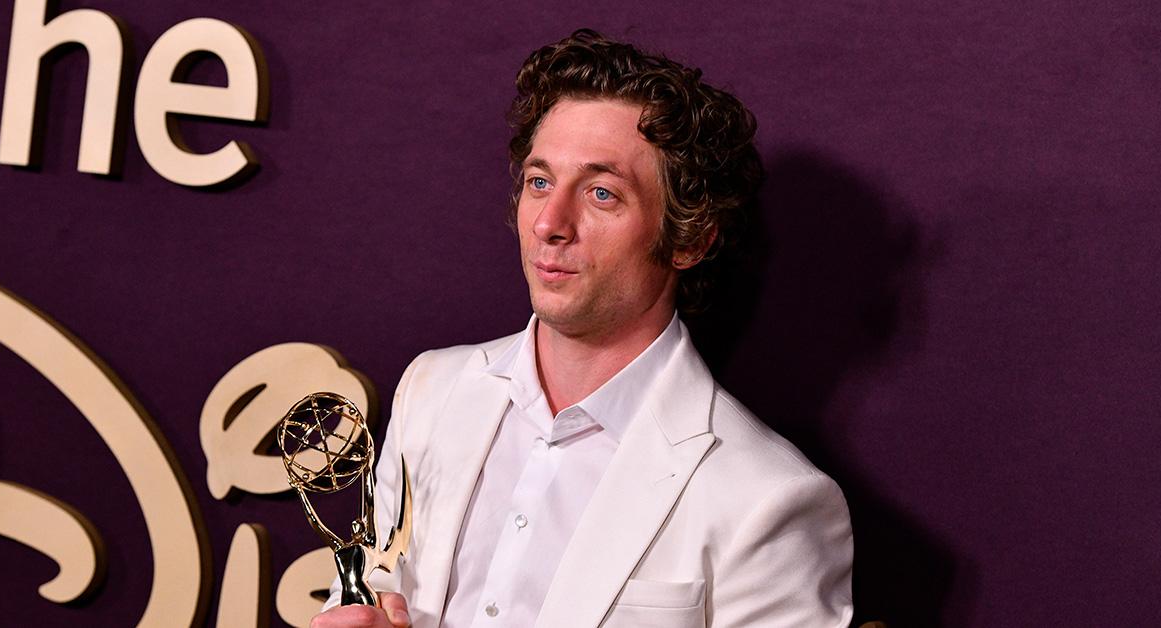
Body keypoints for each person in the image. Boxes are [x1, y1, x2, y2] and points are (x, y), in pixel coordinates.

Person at [313, 29, 853, 628]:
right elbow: (374, 589)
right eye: (540, 182)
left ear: (691, 239)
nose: (549, 222)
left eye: (601, 194)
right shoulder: (432, 391)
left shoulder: (768, 500)